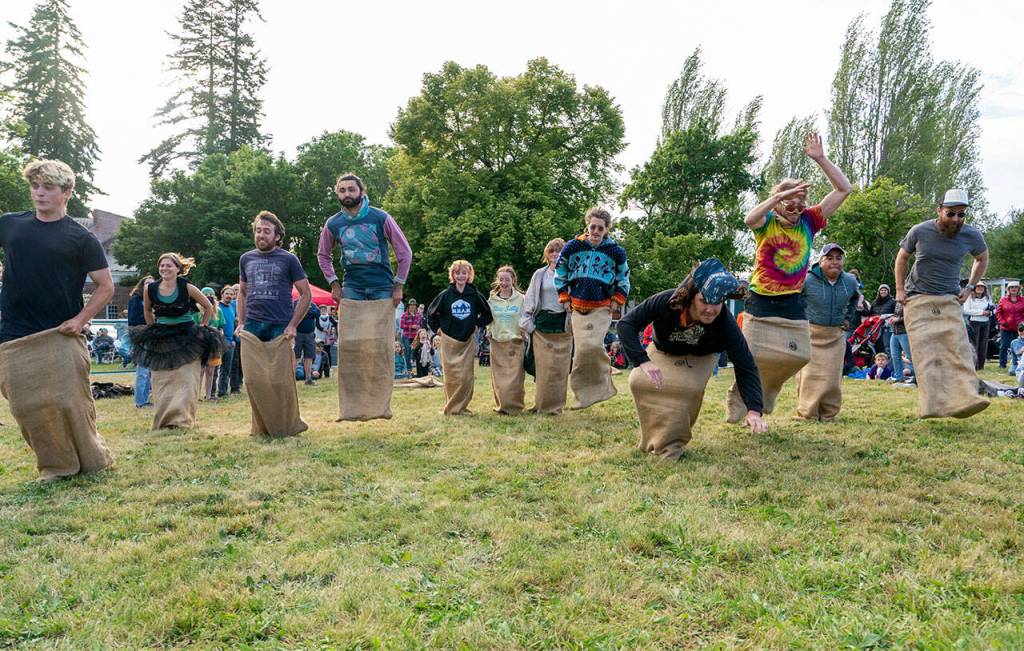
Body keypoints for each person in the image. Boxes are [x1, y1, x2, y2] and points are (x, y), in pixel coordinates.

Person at [0, 159, 114, 480]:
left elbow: (106, 287)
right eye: (35, 186)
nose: (39, 193)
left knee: (70, 404)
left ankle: (88, 459)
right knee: (24, 406)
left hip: (60, 333)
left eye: (48, 187)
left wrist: (81, 319)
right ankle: (56, 464)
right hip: (14, 332)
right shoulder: (10, 225)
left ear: (66, 192)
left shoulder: (81, 238)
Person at [726, 132, 851, 423]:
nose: (795, 208)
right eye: (789, 203)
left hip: (793, 301)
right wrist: (777, 197)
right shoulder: (766, 222)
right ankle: (742, 398)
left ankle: (764, 393)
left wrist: (820, 159)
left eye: (800, 203)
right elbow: (749, 219)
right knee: (753, 358)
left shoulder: (809, 222)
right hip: (760, 299)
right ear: (779, 203)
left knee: (798, 356)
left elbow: (844, 189)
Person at [617, 259, 767, 460]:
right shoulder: (666, 302)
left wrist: (754, 410)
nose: (710, 309)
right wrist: (643, 360)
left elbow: (745, 364)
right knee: (638, 381)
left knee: (687, 388)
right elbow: (626, 324)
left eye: (718, 303)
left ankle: (671, 447)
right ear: (690, 297)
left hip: (701, 356)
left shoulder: (724, 322)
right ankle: (651, 438)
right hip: (662, 351)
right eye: (704, 301)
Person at [317, 172, 412, 421]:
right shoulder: (333, 224)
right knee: (351, 347)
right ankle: (351, 409)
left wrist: (399, 284)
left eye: (351, 189)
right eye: (342, 190)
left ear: (361, 190)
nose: (347, 194)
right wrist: (334, 283)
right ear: (337, 193)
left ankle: (381, 407)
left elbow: (405, 253)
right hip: (352, 288)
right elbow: (322, 255)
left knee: (379, 347)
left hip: (382, 287)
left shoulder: (380, 217)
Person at [894, 188, 989, 418]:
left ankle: (967, 398)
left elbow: (982, 258)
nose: (956, 219)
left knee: (959, 349)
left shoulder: (971, 235)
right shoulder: (920, 231)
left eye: (961, 214)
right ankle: (932, 406)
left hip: (949, 297)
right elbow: (902, 258)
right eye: (951, 213)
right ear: (939, 210)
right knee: (927, 354)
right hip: (918, 297)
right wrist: (898, 289)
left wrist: (969, 286)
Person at [235, 211, 312, 437]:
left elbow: (306, 294)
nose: (261, 235)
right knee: (253, 380)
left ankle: (287, 426)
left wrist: (293, 324)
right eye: (258, 231)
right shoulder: (246, 259)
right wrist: (241, 322)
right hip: (252, 326)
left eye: (266, 232)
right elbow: (243, 292)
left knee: (280, 381)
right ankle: (262, 428)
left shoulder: (289, 259)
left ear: (278, 236)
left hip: (280, 327)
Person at [131, 253, 220, 429]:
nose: (165, 268)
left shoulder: (186, 287)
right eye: (162, 265)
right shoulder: (151, 289)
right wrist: (152, 329)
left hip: (187, 335)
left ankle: (183, 420)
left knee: (186, 378)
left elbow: (208, 307)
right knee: (163, 379)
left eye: (169, 265)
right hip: (162, 335)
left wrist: (203, 325)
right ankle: (164, 420)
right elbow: (148, 311)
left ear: (178, 269)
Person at [554, 207, 630, 410]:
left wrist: (617, 300)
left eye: (600, 228)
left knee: (593, 346)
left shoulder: (616, 252)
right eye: (592, 226)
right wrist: (564, 297)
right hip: (577, 305)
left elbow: (624, 278)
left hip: (602, 306)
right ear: (587, 226)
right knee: (581, 353)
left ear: (606, 230)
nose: (595, 231)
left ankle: (604, 380)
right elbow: (560, 272)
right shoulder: (572, 247)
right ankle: (582, 397)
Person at [795, 243, 859, 420]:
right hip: (811, 333)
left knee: (832, 376)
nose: (834, 262)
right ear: (820, 261)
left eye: (839, 258)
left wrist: (848, 318)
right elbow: (794, 299)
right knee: (809, 376)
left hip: (835, 334)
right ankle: (807, 413)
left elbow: (855, 299)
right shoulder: (806, 280)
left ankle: (828, 413)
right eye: (829, 258)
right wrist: (799, 319)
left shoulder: (850, 281)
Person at [427, 260, 493, 415]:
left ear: (469, 275)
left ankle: (461, 407)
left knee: (466, 377)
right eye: (458, 273)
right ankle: (452, 407)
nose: (461, 276)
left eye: (464, 272)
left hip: (467, 341)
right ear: (453, 275)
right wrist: (438, 330)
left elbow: (488, 314)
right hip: (449, 342)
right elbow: (431, 314)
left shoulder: (474, 295)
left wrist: (477, 324)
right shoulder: (445, 295)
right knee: (451, 377)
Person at [521, 238, 572, 413]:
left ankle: (556, 406)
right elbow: (529, 299)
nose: (555, 254)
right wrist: (529, 325)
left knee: (559, 368)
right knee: (542, 367)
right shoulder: (539, 274)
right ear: (547, 254)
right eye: (552, 251)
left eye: (559, 251)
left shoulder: (570, 274)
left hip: (562, 324)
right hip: (542, 324)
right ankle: (540, 404)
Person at [487, 265, 526, 415]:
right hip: (497, 342)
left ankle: (516, 406)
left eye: (507, 279)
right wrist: (489, 331)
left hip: (515, 342)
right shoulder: (492, 300)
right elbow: (489, 318)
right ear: (498, 281)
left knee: (515, 378)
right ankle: (502, 405)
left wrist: (523, 332)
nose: (504, 282)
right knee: (499, 378)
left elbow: (525, 316)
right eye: (501, 279)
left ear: (513, 280)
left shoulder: (521, 299)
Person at [127, 275, 155, 407]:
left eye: (152, 283)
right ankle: (140, 401)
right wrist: (149, 317)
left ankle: (145, 399)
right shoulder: (135, 299)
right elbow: (133, 320)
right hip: (141, 336)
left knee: (149, 371)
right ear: (142, 285)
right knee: (143, 370)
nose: (149, 285)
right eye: (147, 283)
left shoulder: (156, 300)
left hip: (153, 336)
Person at [196, 286, 223, 400]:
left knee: (211, 370)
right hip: (201, 343)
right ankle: (197, 395)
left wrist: (220, 332)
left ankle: (208, 395)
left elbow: (221, 326)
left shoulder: (218, 311)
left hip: (214, 343)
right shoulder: (196, 310)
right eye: (205, 296)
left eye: (210, 296)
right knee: (200, 370)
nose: (208, 298)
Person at [962, 282, 994, 371]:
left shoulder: (987, 297)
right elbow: (966, 311)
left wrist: (990, 313)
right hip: (974, 322)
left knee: (984, 344)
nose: (980, 288)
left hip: (986, 322)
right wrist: (982, 312)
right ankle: (974, 366)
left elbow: (992, 308)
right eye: (978, 286)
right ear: (974, 287)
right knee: (974, 344)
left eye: (982, 286)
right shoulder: (969, 297)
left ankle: (981, 366)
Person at [996, 280, 1024, 371]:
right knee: (1004, 346)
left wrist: (1022, 323)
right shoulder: (1003, 300)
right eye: (1012, 287)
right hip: (1005, 327)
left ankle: (1018, 364)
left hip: (1020, 328)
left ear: (1019, 289)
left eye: (1016, 287)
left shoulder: (1023, 299)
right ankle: (1002, 364)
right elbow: (998, 313)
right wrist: (1003, 322)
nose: (1014, 289)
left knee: (1019, 345)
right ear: (1008, 289)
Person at [293, 298, 321, 385]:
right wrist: (308, 312)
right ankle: (292, 380)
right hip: (297, 333)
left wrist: (306, 312)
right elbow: (297, 313)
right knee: (295, 356)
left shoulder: (313, 304)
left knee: (309, 356)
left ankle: (308, 379)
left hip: (310, 334)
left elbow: (317, 313)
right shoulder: (295, 303)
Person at [215, 286, 236, 398]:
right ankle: (211, 393)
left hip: (230, 341)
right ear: (222, 294)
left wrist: (233, 339)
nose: (229, 296)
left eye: (231, 294)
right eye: (227, 293)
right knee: (214, 368)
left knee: (226, 369)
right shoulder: (217, 306)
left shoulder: (232, 307)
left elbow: (234, 324)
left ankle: (222, 392)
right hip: (219, 341)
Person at [887, 301, 914, 384]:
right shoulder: (898, 302)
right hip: (894, 332)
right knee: (895, 356)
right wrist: (892, 318)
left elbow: (912, 316)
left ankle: (919, 378)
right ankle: (899, 378)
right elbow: (896, 315)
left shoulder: (911, 300)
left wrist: (898, 319)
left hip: (904, 333)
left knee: (911, 356)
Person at [869, 284, 897, 356]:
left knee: (887, 347)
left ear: (888, 292)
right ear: (879, 291)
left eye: (885, 290)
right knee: (876, 346)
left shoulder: (893, 302)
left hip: (887, 327)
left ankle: (890, 366)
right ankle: (877, 364)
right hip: (876, 328)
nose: (883, 291)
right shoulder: (875, 302)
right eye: (881, 290)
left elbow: (896, 314)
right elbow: (870, 314)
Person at [399, 299, 421, 377]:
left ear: (415, 306)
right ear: (408, 306)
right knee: (407, 352)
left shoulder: (418, 315)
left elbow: (420, 324)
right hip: (406, 336)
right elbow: (401, 326)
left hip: (415, 336)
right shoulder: (404, 315)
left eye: (414, 305)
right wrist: (411, 326)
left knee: (416, 352)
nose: (412, 307)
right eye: (411, 305)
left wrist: (418, 327)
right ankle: (409, 371)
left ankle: (419, 371)